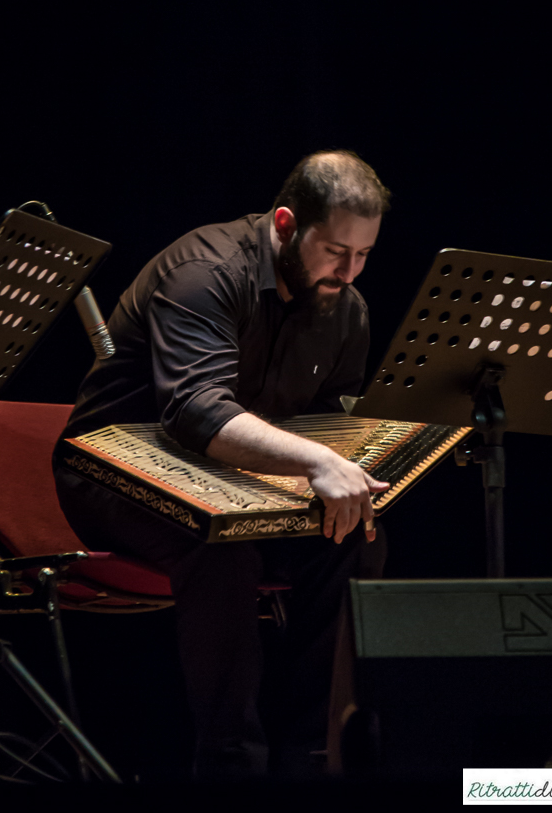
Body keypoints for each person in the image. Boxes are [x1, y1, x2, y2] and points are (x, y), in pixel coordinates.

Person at [53, 150, 391, 777]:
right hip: (113, 472)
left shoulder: (347, 309)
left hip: (237, 478)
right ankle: (231, 767)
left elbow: (325, 419)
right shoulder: (205, 269)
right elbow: (195, 412)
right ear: (286, 225)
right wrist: (317, 461)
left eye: (364, 254)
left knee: (357, 536)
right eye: (336, 250)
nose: (349, 271)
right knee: (224, 543)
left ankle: (319, 757)